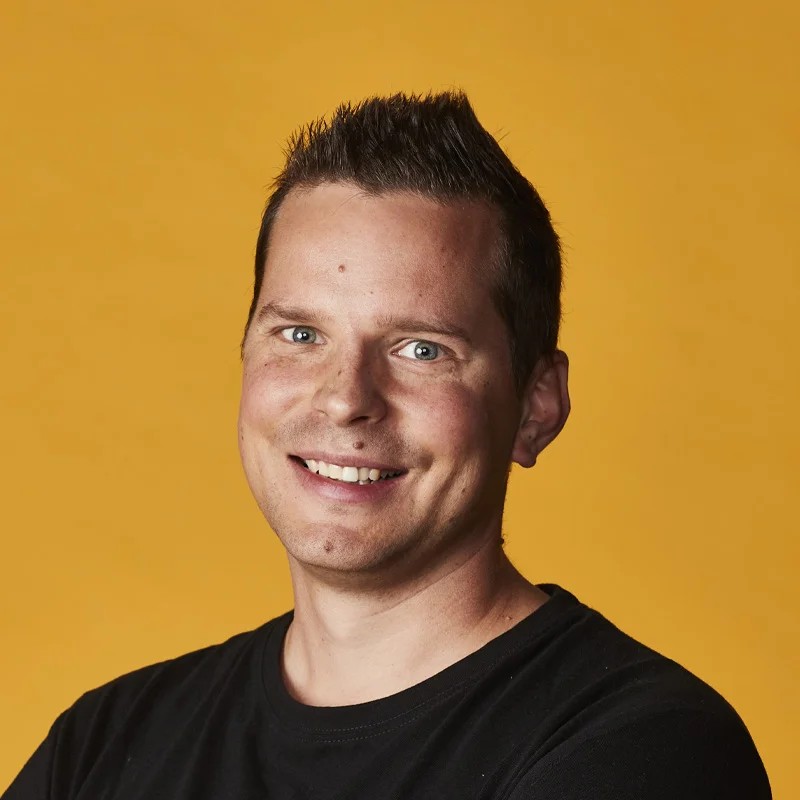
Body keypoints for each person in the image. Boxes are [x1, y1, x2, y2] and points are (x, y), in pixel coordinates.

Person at [3, 91, 770, 799]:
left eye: (421, 349)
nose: (345, 398)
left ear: (536, 406)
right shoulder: (104, 745)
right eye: (299, 335)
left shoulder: (649, 751)